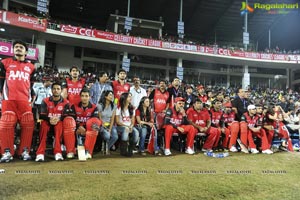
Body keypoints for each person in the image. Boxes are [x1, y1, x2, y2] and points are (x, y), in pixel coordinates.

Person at [0, 40, 36, 162]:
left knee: (28, 124)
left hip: (24, 101)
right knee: (6, 123)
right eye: (16, 47)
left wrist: (32, 99)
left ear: (26, 52)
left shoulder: (31, 67)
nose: (18, 48)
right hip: (8, 100)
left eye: (21, 47)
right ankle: (7, 152)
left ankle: (24, 151)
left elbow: (31, 86)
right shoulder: (4, 63)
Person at [35, 82, 76, 161]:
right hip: (47, 122)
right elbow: (41, 115)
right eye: (54, 89)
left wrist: (58, 119)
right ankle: (40, 153)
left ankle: (58, 152)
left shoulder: (66, 102)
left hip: (58, 123)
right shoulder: (45, 100)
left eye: (58, 89)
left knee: (59, 125)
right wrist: (49, 119)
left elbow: (66, 115)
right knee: (43, 124)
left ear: (61, 91)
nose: (56, 90)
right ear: (51, 90)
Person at [70, 88, 102, 159]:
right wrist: (78, 127)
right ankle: (72, 150)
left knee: (95, 126)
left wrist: (86, 130)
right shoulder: (74, 106)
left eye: (86, 96)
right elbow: (72, 119)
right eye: (83, 96)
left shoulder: (94, 108)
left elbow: (95, 120)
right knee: (69, 125)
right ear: (80, 97)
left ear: (90, 97)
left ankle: (88, 152)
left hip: (88, 129)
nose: (84, 98)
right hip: (77, 128)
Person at [115, 92, 139, 157]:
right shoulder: (119, 108)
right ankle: (123, 150)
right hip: (120, 126)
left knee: (136, 132)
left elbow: (133, 120)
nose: (130, 98)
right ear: (124, 98)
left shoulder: (132, 108)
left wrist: (131, 126)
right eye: (129, 97)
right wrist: (126, 126)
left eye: (131, 96)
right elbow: (117, 121)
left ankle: (130, 149)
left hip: (129, 126)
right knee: (126, 129)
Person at [97, 90, 118, 154]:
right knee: (107, 136)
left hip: (110, 124)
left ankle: (106, 148)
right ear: (105, 96)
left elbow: (112, 119)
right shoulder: (100, 105)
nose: (111, 96)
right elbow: (99, 118)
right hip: (101, 125)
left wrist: (110, 129)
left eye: (112, 95)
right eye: (110, 95)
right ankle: (103, 147)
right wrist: (103, 125)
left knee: (115, 137)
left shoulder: (114, 106)